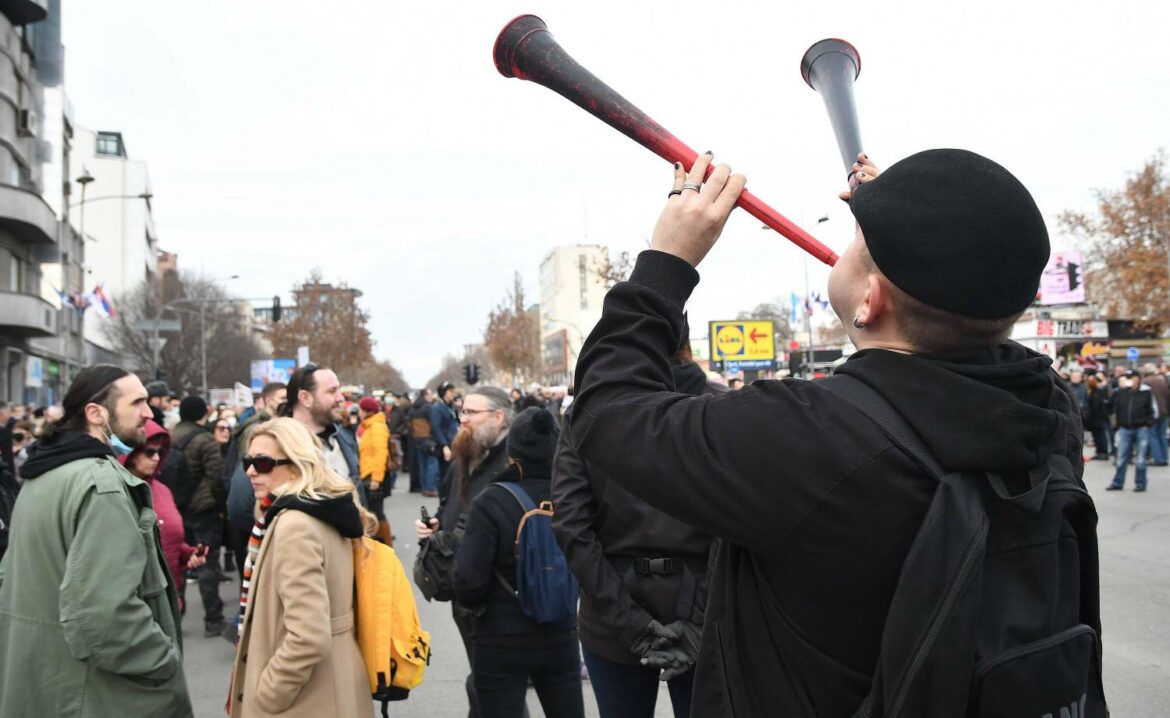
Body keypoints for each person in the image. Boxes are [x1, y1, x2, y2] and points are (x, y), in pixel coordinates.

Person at [564, 149, 1101, 715]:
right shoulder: (1047, 405)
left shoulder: (806, 437)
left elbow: (607, 413)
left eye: (856, 245)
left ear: (870, 300)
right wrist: (918, 225)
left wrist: (665, 262)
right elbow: (973, 321)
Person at [0, 364, 193, 717]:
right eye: (137, 403)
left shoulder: (43, 475)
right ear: (95, 413)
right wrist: (165, 663)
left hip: (44, 684)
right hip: (94, 693)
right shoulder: (100, 485)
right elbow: (107, 616)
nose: (148, 413)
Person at [553, 344, 721, 718]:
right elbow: (738, 520)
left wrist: (630, 622)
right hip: (701, 608)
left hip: (613, 609)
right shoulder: (721, 405)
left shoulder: (587, 411)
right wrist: (699, 617)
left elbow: (572, 524)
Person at [227, 418, 375, 717]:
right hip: (333, 682)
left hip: (311, 698)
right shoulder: (320, 509)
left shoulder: (295, 525)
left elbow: (308, 636)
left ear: (296, 465)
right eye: (248, 462)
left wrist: (268, 693)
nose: (251, 471)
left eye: (264, 462)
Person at [453, 408, 585, 718]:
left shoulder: (490, 501)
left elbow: (468, 583)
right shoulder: (572, 497)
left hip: (500, 637)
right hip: (560, 633)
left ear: (512, 453)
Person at [415, 386, 514, 718]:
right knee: (485, 683)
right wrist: (436, 529)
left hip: (498, 591)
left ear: (499, 417)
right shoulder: (464, 455)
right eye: (462, 413)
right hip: (463, 590)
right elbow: (449, 506)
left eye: (472, 413)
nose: (464, 419)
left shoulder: (516, 461)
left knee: (492, 686)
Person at [119, 419, 207, 610]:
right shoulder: (117, 494)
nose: (157, 458)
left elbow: (165, 536)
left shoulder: (162, 490)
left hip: (171, 593)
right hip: (139, 601)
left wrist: (187, 553)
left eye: (160, 452)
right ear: (131, 453)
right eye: (150, 452)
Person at [170, 395, 228, 636]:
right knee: (206, 561)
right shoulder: (205, 439)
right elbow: (216, 476)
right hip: (203, 508)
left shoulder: (170, 436)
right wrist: (220, 503)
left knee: (180, 562)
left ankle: (176, 615)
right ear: (202, 414)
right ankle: (213, 618)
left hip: (176, 507)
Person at [282, 363, 366, 507]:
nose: (341, 398)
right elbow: (242, 511)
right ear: (305, 398)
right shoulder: (277, 445)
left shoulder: (346, 439)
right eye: (332, 391)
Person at [1108, 370, 1156, 492]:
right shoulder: (1121, 392)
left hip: (1141, 428)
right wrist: (1117, 389)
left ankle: (1140, 483)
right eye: (1128, 378)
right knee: (1121, 458)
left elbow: (1152, 410)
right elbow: (1110, 405)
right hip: (1124, 428)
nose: (1131, 380)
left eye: (1133, 378)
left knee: (1140, 459)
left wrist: (1148, 424)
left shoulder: (1146, 392)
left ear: (1139, 379)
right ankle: (1117, 482)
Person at [357, 396, 393, 543]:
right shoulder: (371, 426)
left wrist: (376, 479)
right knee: (374, 512)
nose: (358, 413)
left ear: (367, 411)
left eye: (360, 410)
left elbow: (381, 454)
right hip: (369, 474)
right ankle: (380, 543)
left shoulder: (377, 427)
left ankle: (386, 545)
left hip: (373, 476)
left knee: (377, 512)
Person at [410, 388, 439, 496]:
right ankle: (430, 488)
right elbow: (434, 424)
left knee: (422, 465)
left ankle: (424, 487)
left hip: (417, 439)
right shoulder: (429, 407)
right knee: (432, 463)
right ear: (425, 396)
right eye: (430, 394)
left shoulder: (413, 409)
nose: (431, 396)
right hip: (428, 439)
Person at [1141, 363, 1169, 466]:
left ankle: (1158, 458)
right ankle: (1164, 457)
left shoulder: (1146, 382)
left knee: (1153, 436)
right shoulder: (1162, 380)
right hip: (1164, 412)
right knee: (1162, 435)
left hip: (1153, 413)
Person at [432, 381, 460, 484]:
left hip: (454, 443)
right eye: (450, 391)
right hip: (445, 445)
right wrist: (444, 446)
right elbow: (436, 428)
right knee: (445, 476)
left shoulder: (451, 406)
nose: (453, 393)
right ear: (443, 393)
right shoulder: (437, 408)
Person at [1086, 376, 1112, 460]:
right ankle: (1100, 452)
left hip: (1096, 420)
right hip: (1098, 419)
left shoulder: (1095, 395)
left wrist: (1091, 419)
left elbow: (1095, 409)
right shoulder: (1097, 392)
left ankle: (1102, 452)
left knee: (1100, 437)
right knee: (1099, 436)